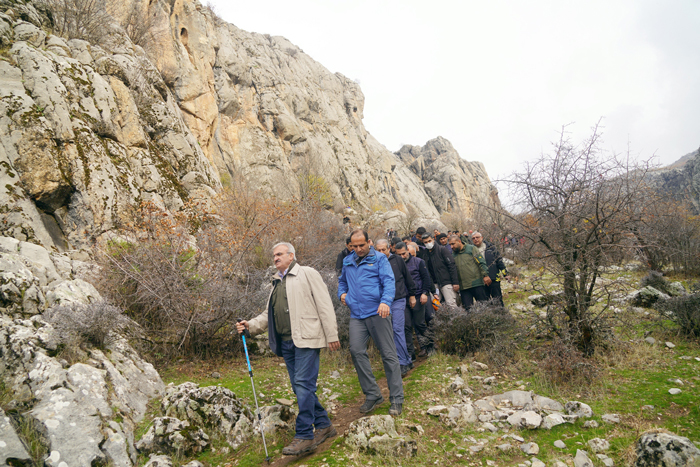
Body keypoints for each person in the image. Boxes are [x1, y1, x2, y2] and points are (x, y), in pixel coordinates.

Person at [237, 243, 340, 456]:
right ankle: (324, 424)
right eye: (273, 255)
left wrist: (332, 335)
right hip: (287, 343)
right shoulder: (276, 283)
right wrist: (250, 326)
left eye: (279, 254)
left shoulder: (307, 273)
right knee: (300, 388)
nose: (275, 258)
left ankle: (304, 435)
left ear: (291, 255)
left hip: (307, 340)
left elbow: (324, 305)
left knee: (303, 385)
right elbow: (268, 315)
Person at [338, 230, 404, 416]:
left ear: (369, 242)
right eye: (354, 246)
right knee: (356, 351)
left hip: (378, 312)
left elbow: (389, 282)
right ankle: (373, 394)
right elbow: (342, 282)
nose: (358, 249)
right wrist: (342, 294)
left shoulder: (380, 259)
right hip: (357, 314)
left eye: (362, 245)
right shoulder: (347, 260)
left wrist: (385, 301)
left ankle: (397, 399)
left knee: (389, 355)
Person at [376, 239, 416, 377]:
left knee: (398, 329)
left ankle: (403, 363)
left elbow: (407, 278)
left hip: (398, 299)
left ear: (389, 249)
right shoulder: (373, 263)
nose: (381, 252)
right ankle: (405, 360)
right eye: (378, 250)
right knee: (388, 333)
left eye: (384, 250)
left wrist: (412, 295)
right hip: (382, 302)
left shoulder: (397, 260)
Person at [396, 242, 435, 359]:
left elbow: (426, 279)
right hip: (403, 298)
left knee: (419, 323)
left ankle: (430, 346)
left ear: (408, 251)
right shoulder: (396, 265)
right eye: (399, 255)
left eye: (404, 253)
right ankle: (410, 353)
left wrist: (425, 293)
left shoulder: (418, 262)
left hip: (418, 296)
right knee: (406, 326)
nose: (402, 256)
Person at [448, 235, 491, 311]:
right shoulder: (453, 255)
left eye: (453, 244)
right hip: (464, 287)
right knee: (468, 311)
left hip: (477, 284)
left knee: (484, 307)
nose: (451, 247)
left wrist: (485, 275)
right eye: (450, 245)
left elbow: (481, 262)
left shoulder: (471, 249)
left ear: (459, 241)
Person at [418, 232, 459, 308]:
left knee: (451, 304)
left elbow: (451, 265)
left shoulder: (442, 250)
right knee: (435, 306)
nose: (428, 243)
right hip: (434, 285)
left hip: (446, 282)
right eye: (425, 242)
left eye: (429, 241)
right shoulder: (425, 254)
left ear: (433, 239)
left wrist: (455, 282)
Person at [471, 231, 509, 306]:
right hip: (480, 280)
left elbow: (499, 261)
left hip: (493, 277)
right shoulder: (471, 250)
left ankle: (502, 315)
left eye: (477, 237)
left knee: (497, 299)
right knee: (485, 302)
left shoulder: (491, 247)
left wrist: (505, 274)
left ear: (481, 238)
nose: (476, 239)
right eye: (473, 238)